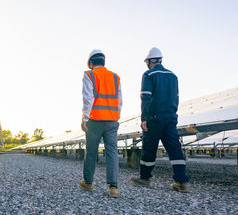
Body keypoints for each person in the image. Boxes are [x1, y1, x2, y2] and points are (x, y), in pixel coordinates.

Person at [130, 47, 189, 192]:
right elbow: (176, 97)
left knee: (149, 148)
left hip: (154, 118)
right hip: (170, 117)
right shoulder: (173, 76)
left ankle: (144, 178)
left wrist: (144, 118)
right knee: (175, 149)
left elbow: (146, 97)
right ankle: (181, 182)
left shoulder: (148, 74)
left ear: (149, 61)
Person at [80, 49, 122, 198]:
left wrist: (84, 119)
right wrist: (116, 117)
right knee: (112, 152)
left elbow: (88, 98)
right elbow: (120, 102)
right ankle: (113, 187)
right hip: (112, 120)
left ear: (91, 63)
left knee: (91, 151)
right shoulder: (115, 77)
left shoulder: (89, 74)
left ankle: (89, 182)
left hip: (95, 120)